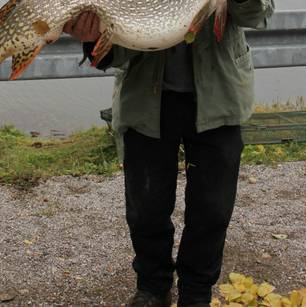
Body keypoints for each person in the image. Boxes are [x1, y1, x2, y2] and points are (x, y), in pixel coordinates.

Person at [64, 1, 275, 306]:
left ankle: (196, 292)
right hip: (146, 97)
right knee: (146, 206)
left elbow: (256, 14)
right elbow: (115, 49)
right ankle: (152, 287)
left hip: (220, 93)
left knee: (212, 208)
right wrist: (92, 36)